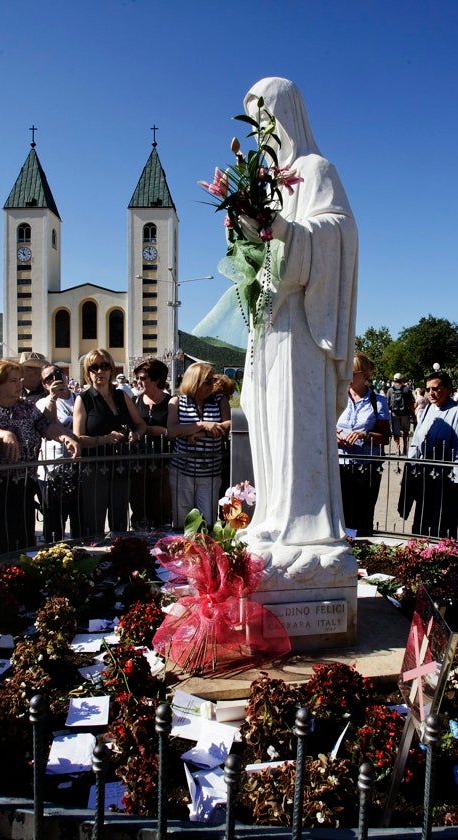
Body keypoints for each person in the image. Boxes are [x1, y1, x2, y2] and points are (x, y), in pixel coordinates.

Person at [235, 77, 358, 571]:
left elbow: (338, 231)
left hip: (303, 328)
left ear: (286, 116)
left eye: (266, 116)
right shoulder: (269, 179)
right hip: (270, 321)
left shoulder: (314, 169)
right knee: (263, 414)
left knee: (294, 422)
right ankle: (272, 514)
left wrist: (285, 230)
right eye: (254, 120)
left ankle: (306, 524)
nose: (261, 129)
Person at [0, 359, 77, 553]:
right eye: (12, 381)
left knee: (24, 540)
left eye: (19, 379)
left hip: (25, 485)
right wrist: (4, 434)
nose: (19, 384)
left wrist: (64, 437)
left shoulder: (27, 407)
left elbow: (45, 425)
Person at [72, 349, 147, 538]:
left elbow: (140, 424)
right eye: (94, 367)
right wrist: (104, 439)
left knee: (120, 519)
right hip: (94, 469)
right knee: (94, 521)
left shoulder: (121, 396)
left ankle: (120, 558)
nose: (100, 371)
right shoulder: (84, 399)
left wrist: (135, 435)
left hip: (121, 466)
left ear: (111, 370)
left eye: (104, 366)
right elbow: (77, 438)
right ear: (87, 372)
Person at [402, 371, 458, 542]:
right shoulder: (429, 409)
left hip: (445, 481)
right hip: (425, 477)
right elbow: (416, 440)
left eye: (436, 388)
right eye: (428, 389)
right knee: (424, 523)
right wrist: (410, 468)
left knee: (444, 525)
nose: (431, 393)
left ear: (448, 388)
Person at [168, 362, 230, 528]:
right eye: (207, 381)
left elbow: (228, 425)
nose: (212, 385)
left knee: (208, 521)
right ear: (194, 382)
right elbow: (172, 431)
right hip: (182, 471)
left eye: (213, 380)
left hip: (210, 472)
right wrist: (202, 425)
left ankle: (205, 551)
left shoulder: (220, 400)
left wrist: (201, 434)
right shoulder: (177, 402)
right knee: (183, 521)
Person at [335, 353, 390, 537]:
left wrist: (364, 435)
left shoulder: (378, 402)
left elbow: (385, 437)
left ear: (365, 375)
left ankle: (362, 554)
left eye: (352, 373)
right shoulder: (337, 398)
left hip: (365, 469)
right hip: (339, 467)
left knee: (362, 515)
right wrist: (332, 435)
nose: (346, 377)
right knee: (339, 514)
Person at [36, 363, 80, 542]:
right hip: (51, 470)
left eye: (58, 374)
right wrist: (53, 398)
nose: (55, 380)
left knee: (78, 519)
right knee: (54, 522)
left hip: (76, 467)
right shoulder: (41, 402)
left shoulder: (79, 398)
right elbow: (50, 425)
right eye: (49, 378)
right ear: (45, 385)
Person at [130, 358, 172, 529]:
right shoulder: (134, 402)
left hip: (164, 466)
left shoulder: (172, 403)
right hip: (139, 466)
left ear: (156, 379)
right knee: (139, 509)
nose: (139, 382)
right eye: (138, 378)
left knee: (161, 511)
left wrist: (162, 431)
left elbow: (176, 429)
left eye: (143, 378)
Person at [387, 374, 414, 453]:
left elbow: (387, 402)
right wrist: (413, 415)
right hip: (405, 413)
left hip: (394, 414)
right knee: (405, 431)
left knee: (396, 432)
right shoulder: (407, 389)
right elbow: (411, 403)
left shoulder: (390, 390)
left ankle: (397, 448)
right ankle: (405, 447)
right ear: (402, 380)